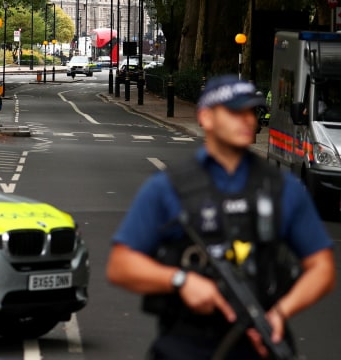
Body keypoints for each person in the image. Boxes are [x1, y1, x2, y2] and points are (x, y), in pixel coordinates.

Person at [106, 75, 336, 359]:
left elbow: (322, 267)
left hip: (261, 342)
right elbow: (121, 265)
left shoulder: (282, 188)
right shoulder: (168, 187)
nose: (247, 120)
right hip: (186, 343)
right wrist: (180, 280)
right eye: (234, 112)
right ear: (206, 117)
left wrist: (280, 312)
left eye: (251, 112)